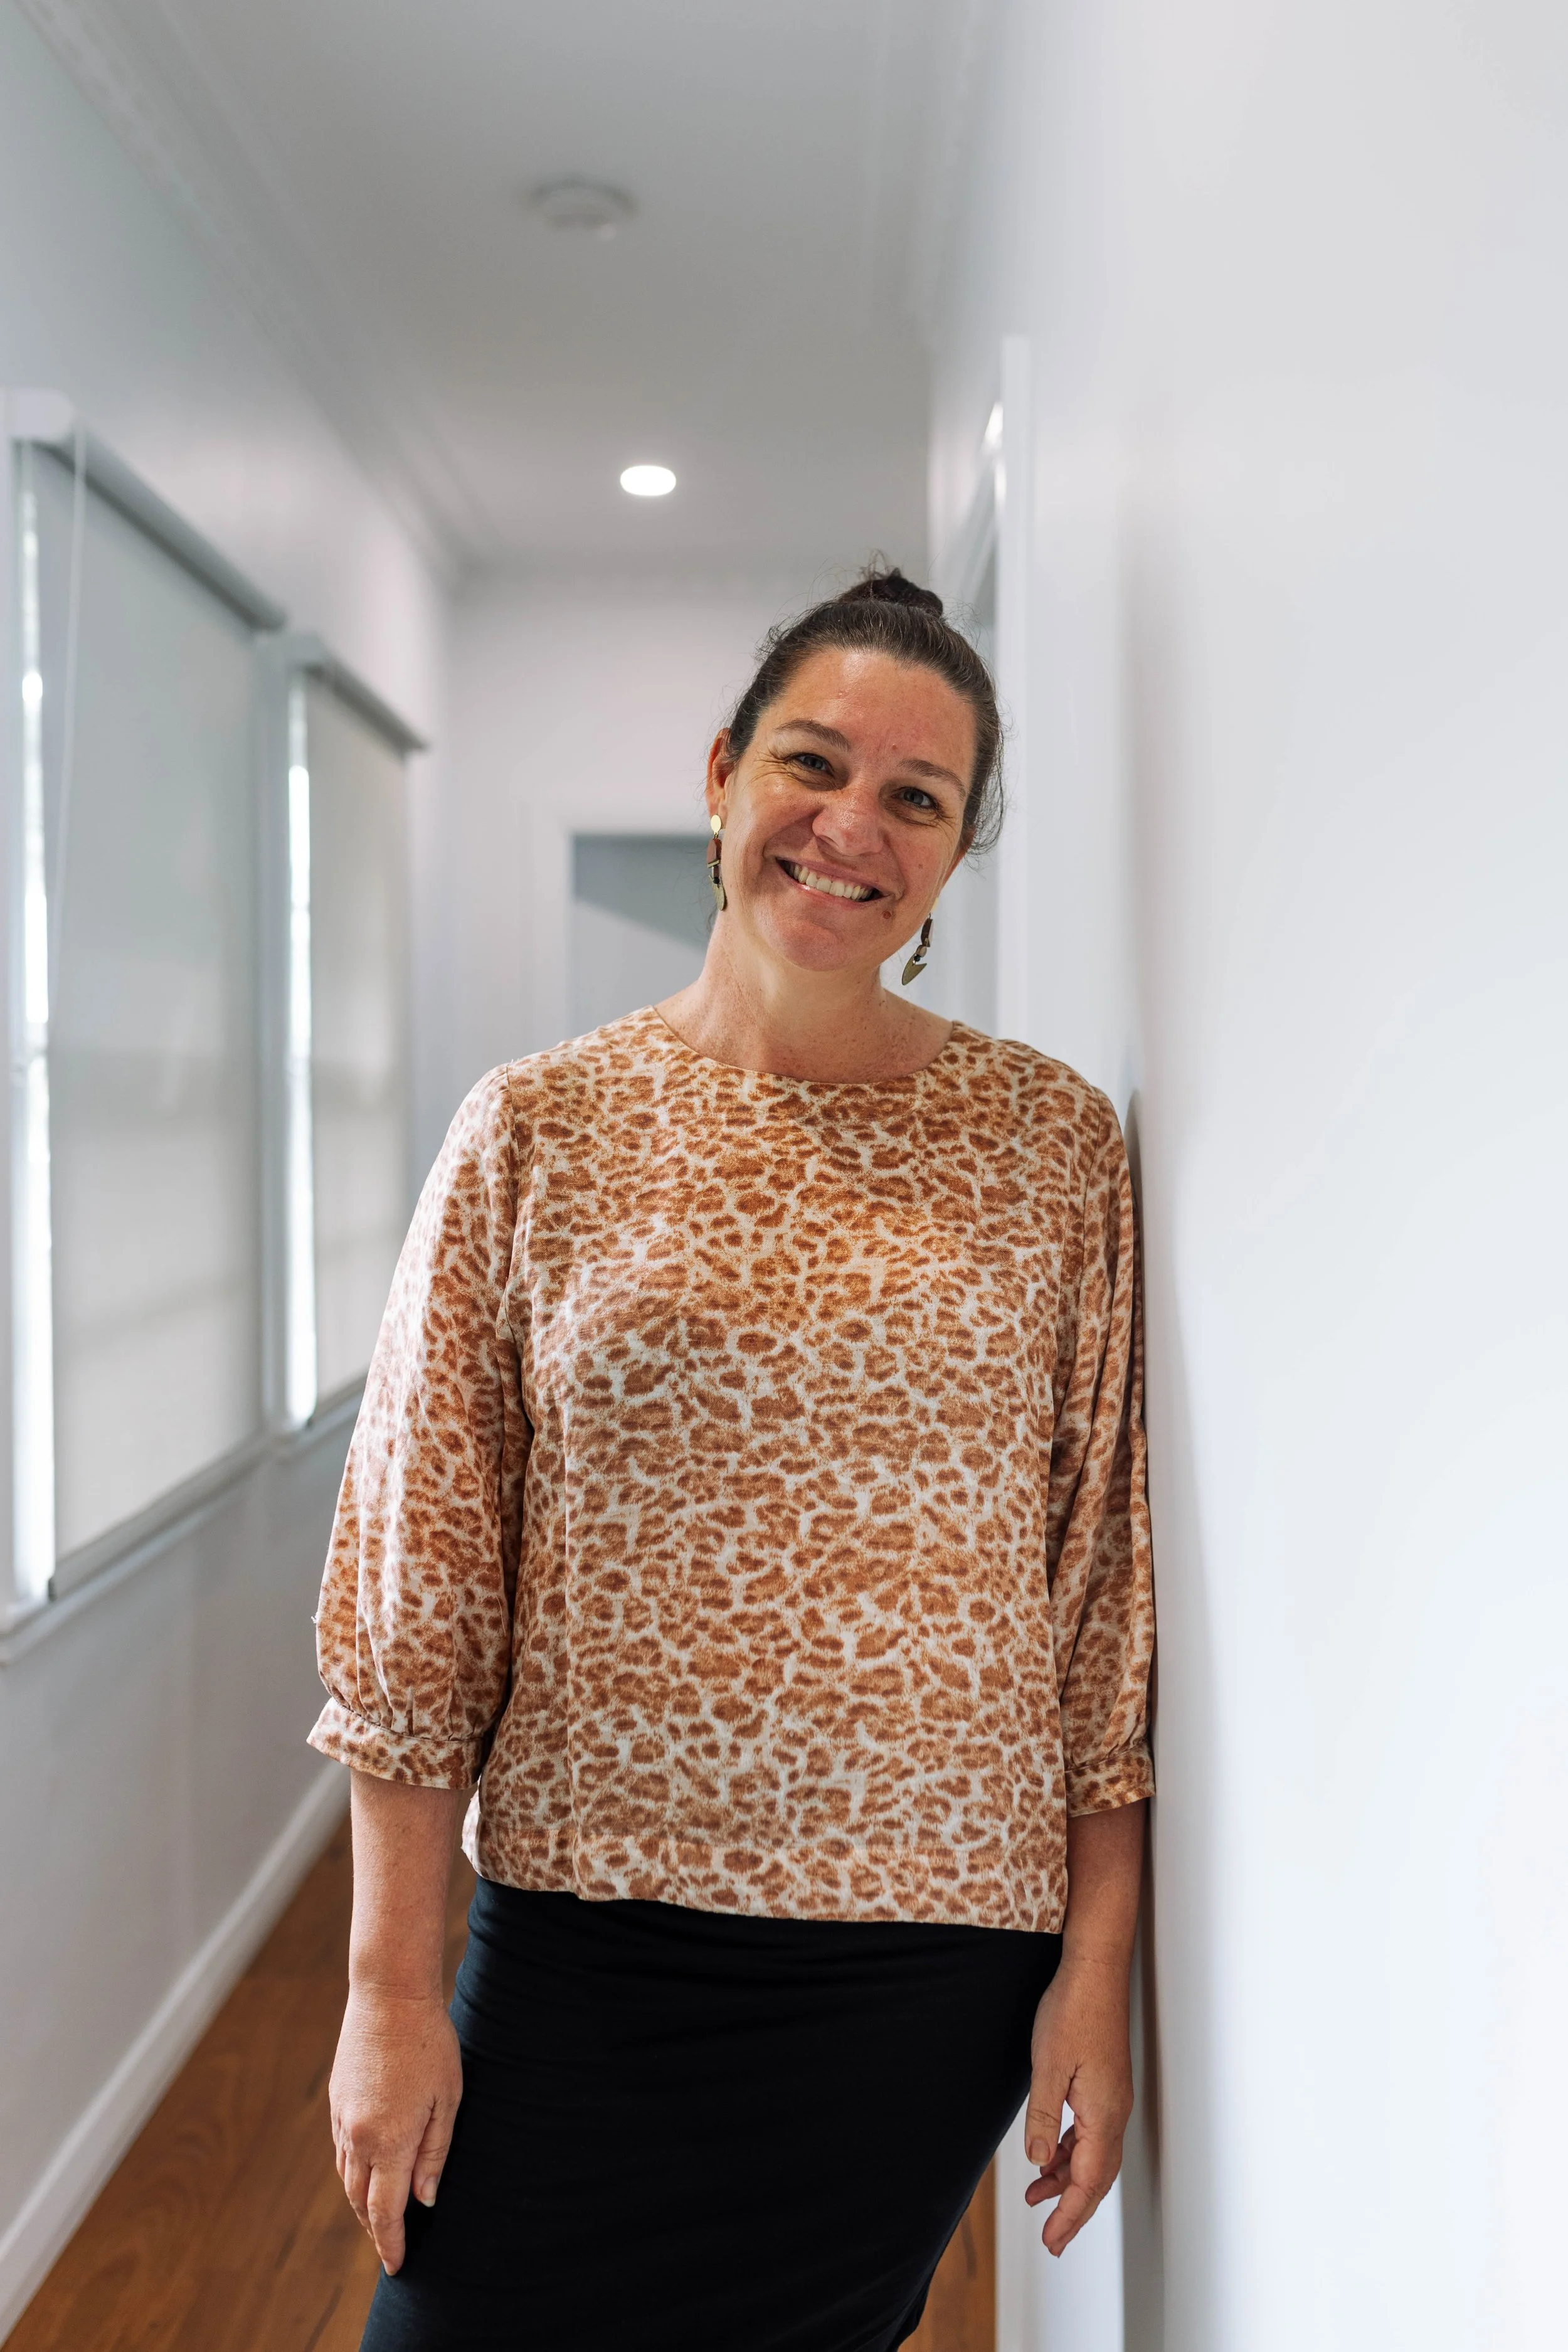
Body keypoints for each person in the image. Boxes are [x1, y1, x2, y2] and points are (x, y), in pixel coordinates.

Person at [311, 566, 1155, 2352]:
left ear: (948, 854)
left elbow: (1097, 1584)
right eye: (811, 761)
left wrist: (1097, 1959)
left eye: (915, 799)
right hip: (585, 1940)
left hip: (922, 1967)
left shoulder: (1051, 1143)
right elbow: (420, 1582)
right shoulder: (534, 1126)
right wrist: (389, 1983)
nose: (851, 825)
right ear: (720, 776)